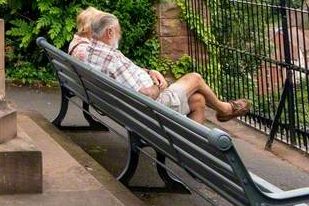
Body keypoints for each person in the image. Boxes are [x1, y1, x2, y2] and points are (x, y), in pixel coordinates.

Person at [81, 11, 248, 124]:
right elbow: (146, 95)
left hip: (128, 109)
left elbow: (126, 73)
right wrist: (160, 86)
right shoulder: (112, 58)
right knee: (195, 78)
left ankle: (191, 152)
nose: (120, 34)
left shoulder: (91, 50)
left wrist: (149, 72)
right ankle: (224, 109)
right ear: (109, 32)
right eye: (118, 31)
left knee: (198, 100)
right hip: (149, 108)